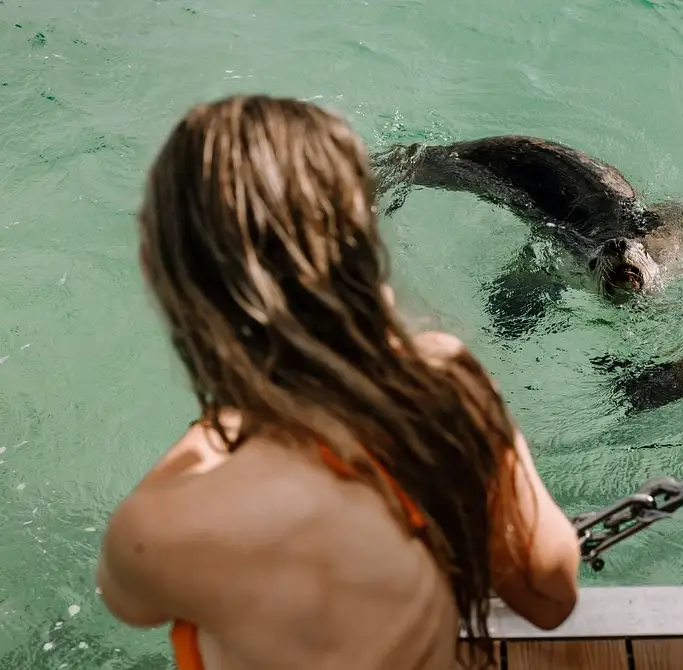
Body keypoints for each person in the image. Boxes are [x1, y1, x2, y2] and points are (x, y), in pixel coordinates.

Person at [95, 94, 581, 670]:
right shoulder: (445, 385)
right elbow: (549, 598)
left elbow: (129, 603)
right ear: (363, 243)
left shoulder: (157, 525)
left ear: (159, 271)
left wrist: (219, 427)